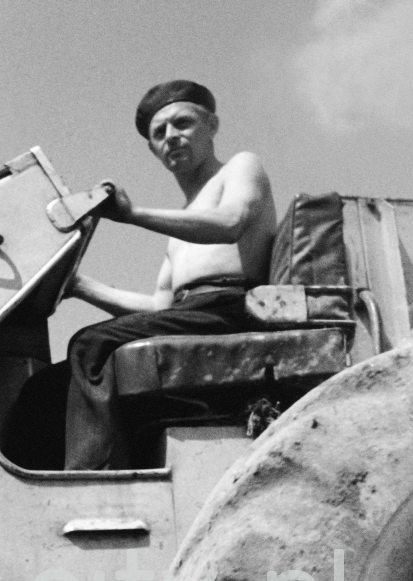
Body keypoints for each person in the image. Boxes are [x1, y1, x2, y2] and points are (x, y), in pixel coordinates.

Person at [59, 79, 277, 470]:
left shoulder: (241, 167)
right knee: (55, 383)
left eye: (183, 124)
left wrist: (132, 215)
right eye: (160, 133)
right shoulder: (181, 224)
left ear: (211, 125)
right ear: (152, 149)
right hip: (192, 313)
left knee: (90, 345)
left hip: (231, 308)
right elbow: (159, 308)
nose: (171, 137)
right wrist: (78, 285)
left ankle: (95, 482)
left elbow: (230, 223)